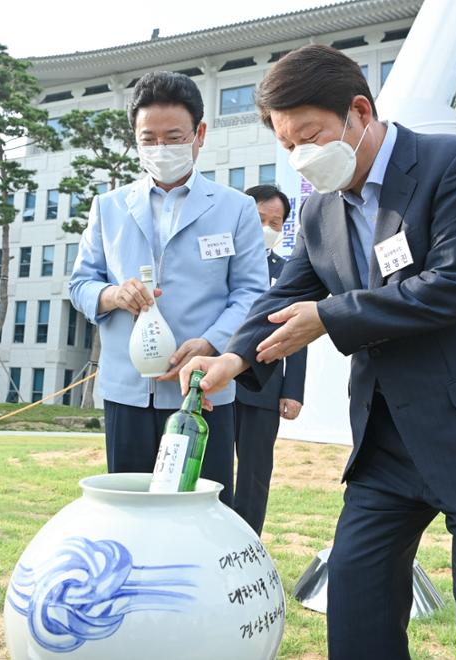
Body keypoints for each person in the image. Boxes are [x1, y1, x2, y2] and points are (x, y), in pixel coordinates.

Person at [179, 45, 456, 659]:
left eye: (312, 136)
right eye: (288, 146)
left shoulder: (455, 165)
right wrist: (232, 358)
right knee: (357, 602)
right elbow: (286, 294)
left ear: (360, 111)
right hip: (391, 442)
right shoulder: (320, 210)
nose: (301, 157)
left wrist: (329, 317)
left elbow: (454, 286)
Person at [69, 71, 268, 507]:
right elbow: (80, 284)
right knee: (130, 508)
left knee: (201, 506)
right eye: (149, 138)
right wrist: (113, 295)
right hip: (127, 387)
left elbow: (251, 293)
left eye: (173, 137)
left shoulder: (235, 209)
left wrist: (212, 343)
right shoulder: (108, 207)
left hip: (204, 386)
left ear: (199, 134)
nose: (161, 149)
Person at [234, 184, 307, 535]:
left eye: (275, 222)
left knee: (254, 471)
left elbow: (299, 333)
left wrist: (292, 390)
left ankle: (248, 544)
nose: (267, 227)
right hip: (214, 382)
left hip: (265, 385)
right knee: (209, 468)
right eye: (260, 218)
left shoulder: (289, 269)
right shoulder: (219, 261)